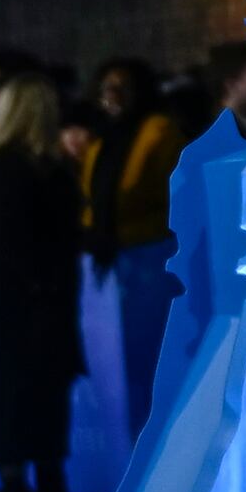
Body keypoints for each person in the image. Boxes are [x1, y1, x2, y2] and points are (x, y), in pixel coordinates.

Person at [0, 66, 90, 492]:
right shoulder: (9, 166)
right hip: (15, 305)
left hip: (36, 299)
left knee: (45, 396)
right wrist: (40, 284)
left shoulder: (36, 163)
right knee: (10, 401)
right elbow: (10, 238)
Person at [82, 57, 186, 430]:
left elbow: (162, 193)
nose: (112, 95)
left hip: (149, 255)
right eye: (106, 86)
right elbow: (93, 197)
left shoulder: (158, 131)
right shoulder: (102, 140)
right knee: (121, 365)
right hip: (111, 260)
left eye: (122, 86)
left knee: (148, 360)